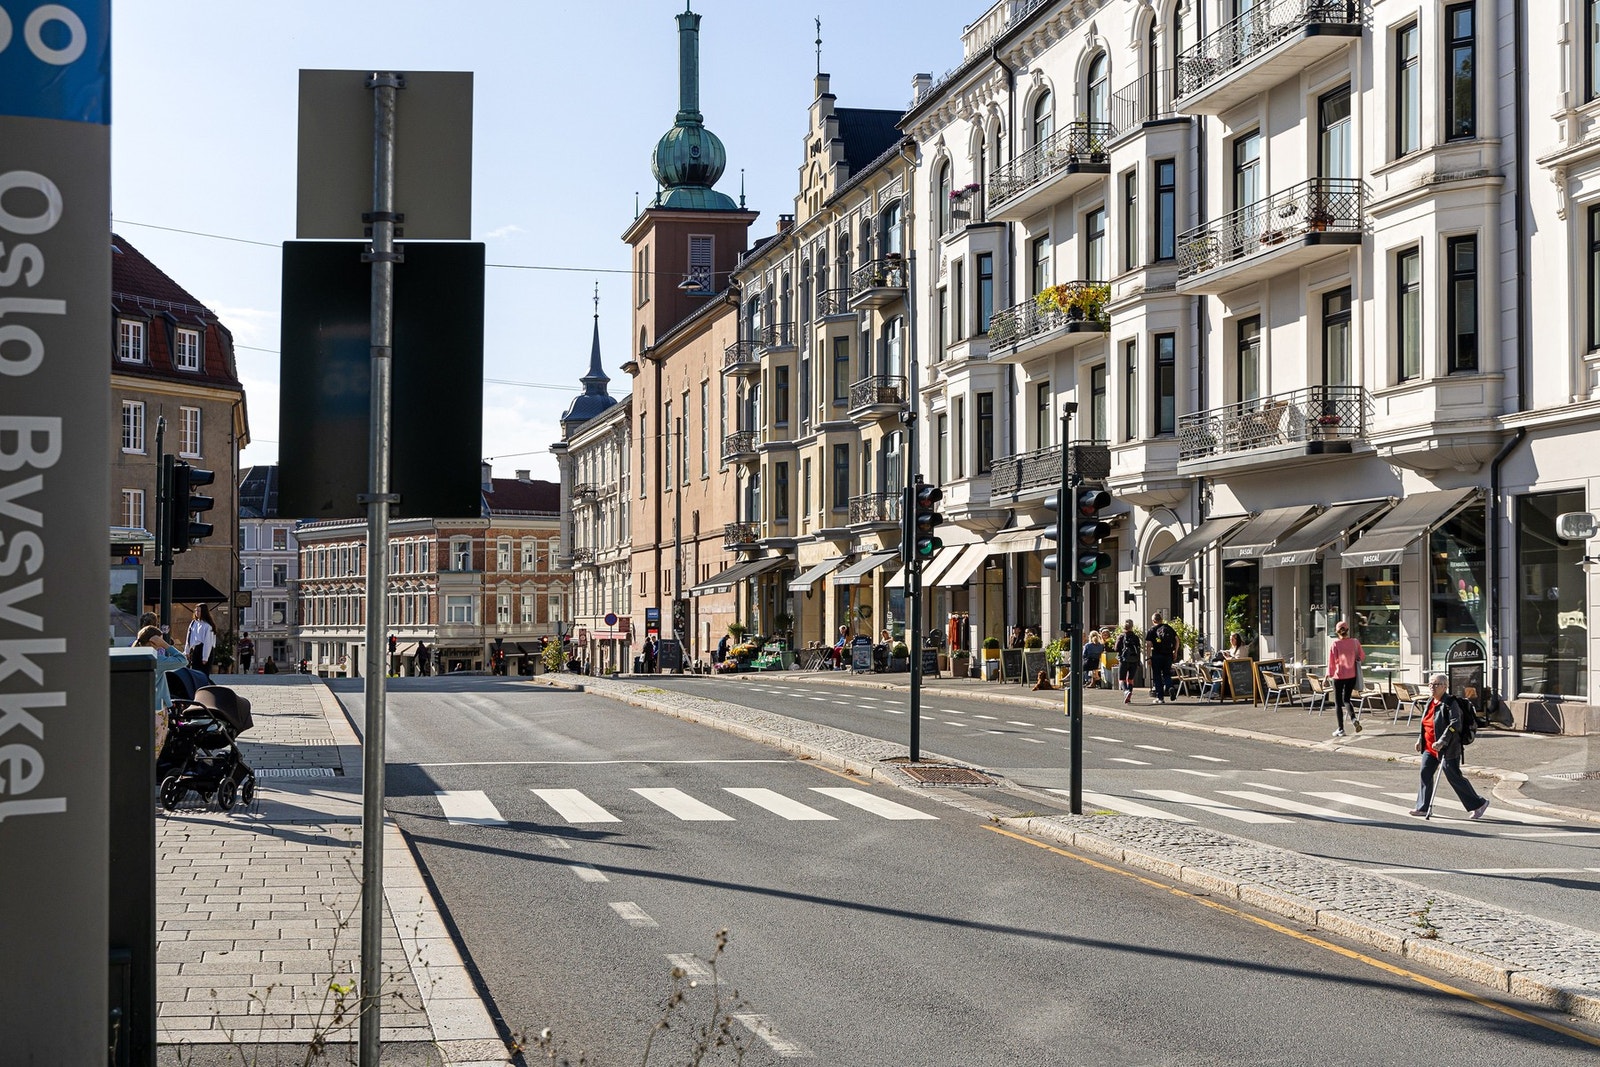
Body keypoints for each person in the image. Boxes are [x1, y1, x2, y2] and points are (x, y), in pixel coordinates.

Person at [1411, 673, 1489, 820]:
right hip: (1430, 747)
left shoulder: (1450, 703)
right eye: (1430, 684)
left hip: (1448, 748)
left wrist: (1442, 741)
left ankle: (1479, 803)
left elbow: (1455, 724)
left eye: (1436, 684)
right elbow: (1426, 723)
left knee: (1454, 777)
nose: (1432, 687)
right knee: (1425, 774)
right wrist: (1420, 739)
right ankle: (1423, 807)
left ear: (1445, 686)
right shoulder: (1430, 701)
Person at [134, 624, 189, 760]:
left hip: (138, 710)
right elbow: (183, 660)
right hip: (157, 710)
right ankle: (149, 777)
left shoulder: (134, 655)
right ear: (154, 641)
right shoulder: (156, 660)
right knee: (155, 750)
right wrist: (165, 644)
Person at [1326, 619, 1365, 737]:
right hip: (1351, 675)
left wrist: (1327, 675)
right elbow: (1362, 656)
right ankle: (1353, 719)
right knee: (1347, 699)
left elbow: (1331, 662)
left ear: (1337, 632)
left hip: (1339, 676)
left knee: (1338, 702)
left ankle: (1341, 728)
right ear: (1347, 630)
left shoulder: (1335, 644)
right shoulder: (1355, 642)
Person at [1144, 612, 1178, 703]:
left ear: (1153, 621)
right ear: (1161, 619)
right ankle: (1170, 686)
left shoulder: (1152, 630)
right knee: (1167, 674)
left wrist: (1148, 657)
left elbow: (1148, 645)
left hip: (1156, 655)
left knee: (1157, 676)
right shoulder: (1169, 628)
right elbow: (1177, 640)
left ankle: (1160, 698)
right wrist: (1175, 651)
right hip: (1168, 655)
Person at [1114, 620, 1142, 704]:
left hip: (1124, 660)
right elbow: (1138, 649)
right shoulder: (1135, 637)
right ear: (1132, 626)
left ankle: (1126, 691)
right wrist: (1138, 661)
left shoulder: (1121, 636)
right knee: (1130, 679)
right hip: (1134, 660)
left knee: (1121, 679)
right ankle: (1129, 696)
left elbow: (1116, 648)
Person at [185, 604, 216, 675]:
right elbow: (189, 637)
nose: (197, 613)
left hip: (203, 649)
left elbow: (208, 643)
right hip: (195, 650)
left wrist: (205, 657)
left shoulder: (207, 626)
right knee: (194, 673)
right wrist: (187, 651)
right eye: (196, 611)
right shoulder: (193, 623)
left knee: (203, 674)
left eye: (199, 611)